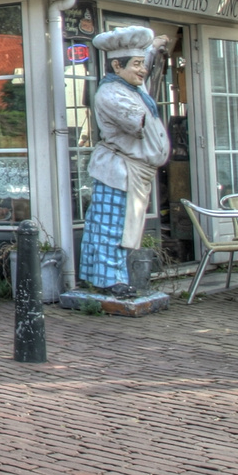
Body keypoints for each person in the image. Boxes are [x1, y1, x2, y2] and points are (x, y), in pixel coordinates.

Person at [78, 26, 171, 297]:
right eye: (137, 65)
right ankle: (109, 280)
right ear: (117, 66)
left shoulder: (132, 89)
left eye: (143, 64)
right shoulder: (111, 94)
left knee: (114, 225)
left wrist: (153, 51)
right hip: (118, 170)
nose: (142, 71)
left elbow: (147, 83)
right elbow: (135, 123)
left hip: (131, 171)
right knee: (112, 227)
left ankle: (100, 276)